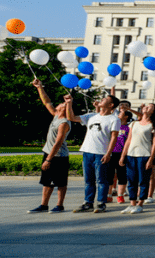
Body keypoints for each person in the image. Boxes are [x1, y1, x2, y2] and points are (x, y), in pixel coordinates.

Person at [69, 91, 121, 213]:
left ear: (111, 105)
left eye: (105, 99)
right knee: (88, 180)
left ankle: (101, 203)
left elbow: (114, 137)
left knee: (101, 180)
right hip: (87, 151)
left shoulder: (114, 119)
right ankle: (88, 203)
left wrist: (108, 153)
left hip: (101, 153)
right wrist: (69, 103)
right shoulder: (92, 116)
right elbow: (72, 118)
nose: (102, 99)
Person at [28, 80, 70, 213]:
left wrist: (48, 159)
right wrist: (39, 87)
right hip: (50, 153)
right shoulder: (56, 116)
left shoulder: (64, 122)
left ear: (64, 109)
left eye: (62, 104)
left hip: (58, 156)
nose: (59, 104)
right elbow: (46, 102)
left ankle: (59, 205)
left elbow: (58, 143)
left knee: (60, 182)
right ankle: (44, 205)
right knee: (47, 181)